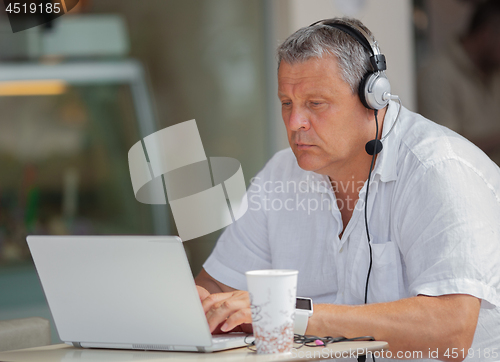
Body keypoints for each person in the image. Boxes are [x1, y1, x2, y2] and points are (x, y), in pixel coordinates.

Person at [195, 17, 500, 361]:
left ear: (373, 98)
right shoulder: (280, 174)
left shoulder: (439, 170)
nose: (295, 123)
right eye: (287, 103)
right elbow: (217, 287)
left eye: (316, 104)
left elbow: (450, 333)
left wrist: (289, 315)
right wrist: (190, 307)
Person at [418, 0, 500, 165]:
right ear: (486, 34)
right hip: (467, 186)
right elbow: (445, 150)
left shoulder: (494, 72)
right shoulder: (438, 75)